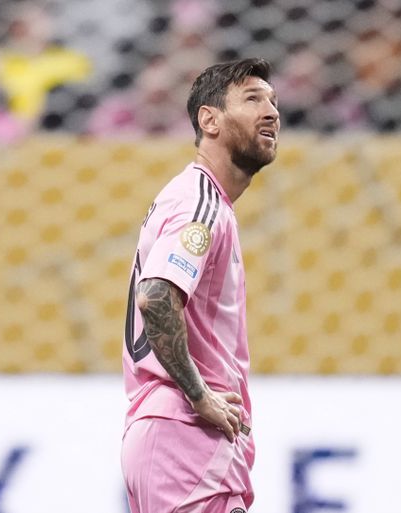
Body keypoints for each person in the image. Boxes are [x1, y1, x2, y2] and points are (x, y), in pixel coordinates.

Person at [121, 57, 279, 513]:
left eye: (273, 101)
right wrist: (199, 395)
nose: (271, 112)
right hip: (185, 437)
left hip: (172, 437)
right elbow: (155, 297)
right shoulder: (200, 202)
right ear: (208, 120)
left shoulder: (197, 199)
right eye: (253, 99)